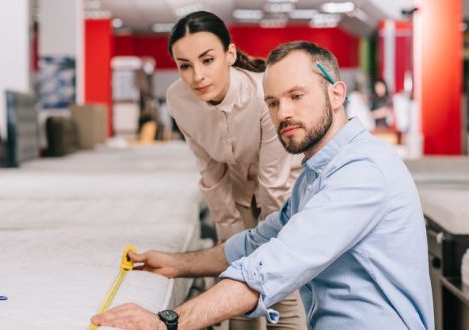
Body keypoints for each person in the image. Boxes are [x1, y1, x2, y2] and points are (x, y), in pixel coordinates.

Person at [90, 41, 434, 330]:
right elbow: (257, 242)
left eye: (296, 96)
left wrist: (167, 321)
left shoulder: (362, 172)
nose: (283, 112)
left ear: (336, 94)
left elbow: (274, 265)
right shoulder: (315, 174)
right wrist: (179, 264)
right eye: (272, 102)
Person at [163, 11, 305, 329]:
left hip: (286, 188)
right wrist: (231, 244)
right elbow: (211, 172)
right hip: (239, 187)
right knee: (234, 284)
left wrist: (272, 250)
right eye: (184, 65)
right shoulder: (178, 99)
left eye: (207, 60)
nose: (197, 76)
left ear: (229, 54)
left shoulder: (263, 94)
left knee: (281, 287)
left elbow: (275, 183)